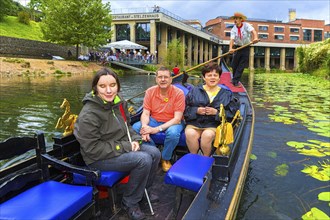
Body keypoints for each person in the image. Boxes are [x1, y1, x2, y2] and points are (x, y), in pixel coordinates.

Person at [74, 68, 161, 220]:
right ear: (95, 88)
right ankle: (130, 202)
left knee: (154, 153)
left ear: (118, 86)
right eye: (103, 86)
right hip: (98, 158)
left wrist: (135, 139)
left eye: (113, 85)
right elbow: (93, 149)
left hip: (119, 146)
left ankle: (142, 191)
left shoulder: (119, 102)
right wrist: (127, 146)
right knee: (143, 159)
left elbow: (127, 126)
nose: (109, 90)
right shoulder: (89, 114)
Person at [132, 66, 185, 172]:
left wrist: (155, 130)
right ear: (156, 79)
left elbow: (177, 119)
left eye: (166, 77)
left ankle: (165, 158)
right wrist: (144, 127)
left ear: (171, 79)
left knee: (173, 133)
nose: (163, 79)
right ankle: (155, 152)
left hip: (173, 122)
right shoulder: (150, 92)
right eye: (160, 77)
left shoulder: (179, 93)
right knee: (135, 127)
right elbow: (146, 113)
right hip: (155, 120)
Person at [184, 62, 240, 156]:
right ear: (204, 77)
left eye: (215, 75)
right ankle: (194, 156)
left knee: (207, 135)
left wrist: (217, 113)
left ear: (219, 77)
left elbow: (232, 114)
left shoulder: (226, 94)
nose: (212, 78)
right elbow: (185, 110)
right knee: (190, 134)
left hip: (213, 124)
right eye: (209, 75)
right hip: (195, 123)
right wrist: (196, 110)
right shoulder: (194, 91)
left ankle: (206, 158)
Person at [229, 12, 259, 87]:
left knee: (241, 65)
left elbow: (253, 32)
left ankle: (235, 81)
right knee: (233, 64)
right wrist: (230, 48)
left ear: (241, 19)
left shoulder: (246, 25)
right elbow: (232, 40)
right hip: (237, 47)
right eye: (234, 19)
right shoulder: (233, 29)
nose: (235, 20)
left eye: (236, 19)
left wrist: (255, 38)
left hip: (245, 47)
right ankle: (234, 79)